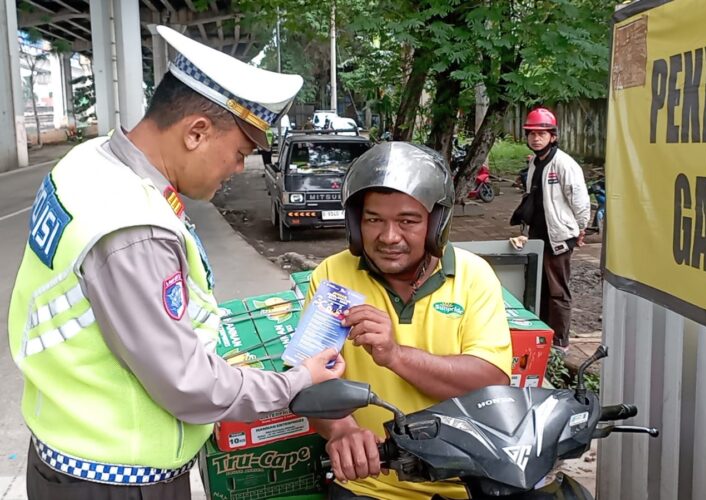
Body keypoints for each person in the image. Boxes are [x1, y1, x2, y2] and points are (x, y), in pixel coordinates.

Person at [7, 25, 344, 500]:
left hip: (64, 451)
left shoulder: (88, 161)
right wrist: (297, 382)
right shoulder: (132, 228)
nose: (237, 170)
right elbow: (188, 384)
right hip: (119, 479)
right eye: (240, 153)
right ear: (196, 132)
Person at [304, 142, 513, 500]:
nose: (389, 237)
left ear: (436, 224)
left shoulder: (473, 276)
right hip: (370, 485)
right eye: (373, 220)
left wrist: (395, 355)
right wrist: (341, 431)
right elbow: (309, 381)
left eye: (408, 221)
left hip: (462, 485)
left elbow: (491, 384)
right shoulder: (333, 276)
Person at [520, 107, 590, 350]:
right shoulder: (535, 163)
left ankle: (560, 343)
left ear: (553, 136)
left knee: (557, 290)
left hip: (558, 236)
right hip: (537, 235)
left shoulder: (564, 164)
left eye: (542, 133)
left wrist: (581, 227)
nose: (536, 138)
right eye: (531, 134)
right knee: (537, 288)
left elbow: (579, 199)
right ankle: (541, 337)